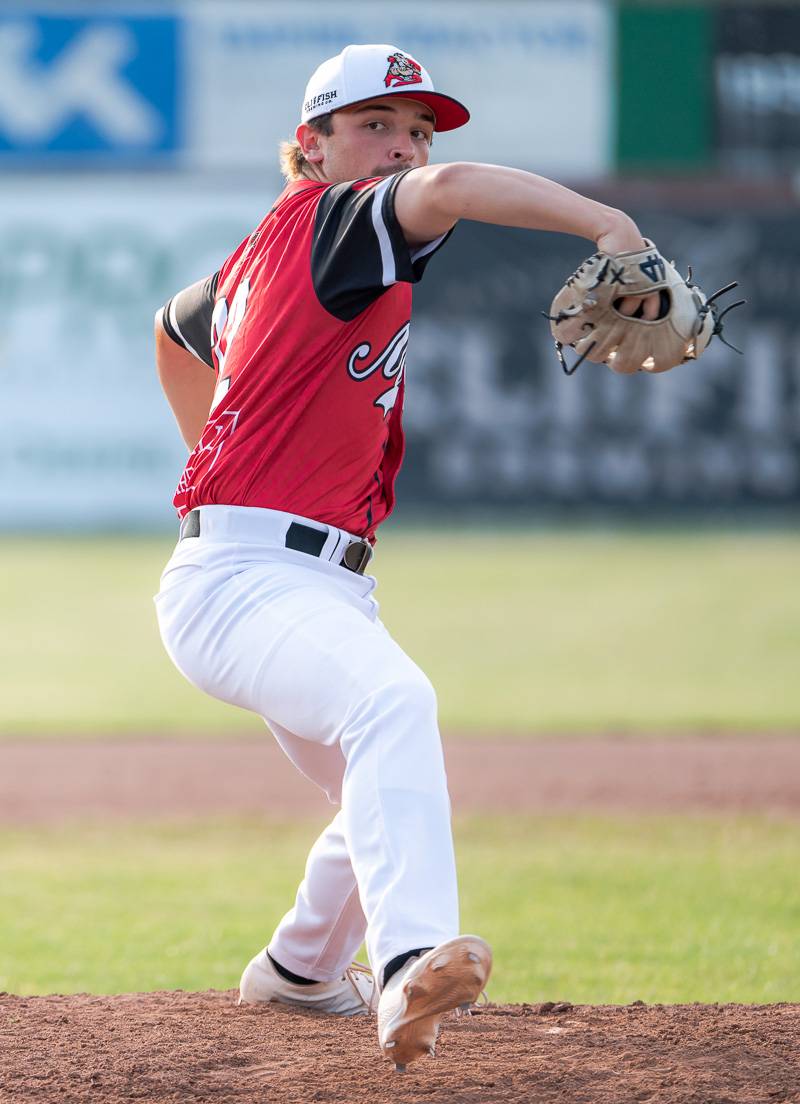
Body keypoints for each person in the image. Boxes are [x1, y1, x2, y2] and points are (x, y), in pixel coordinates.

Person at [153, 43, 657, 1071]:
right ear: (312, 147)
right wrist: (611, 226)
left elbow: (171, 327)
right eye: (373, 125)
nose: (402, 147)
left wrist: (211, 447)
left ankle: (297, 970)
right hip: (244, 580)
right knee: (393, 707)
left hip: (305, 579)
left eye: (415, 129)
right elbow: (457, 189)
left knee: (378, 783)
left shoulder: (268, 251)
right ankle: (410, 963)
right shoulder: (340, 223)